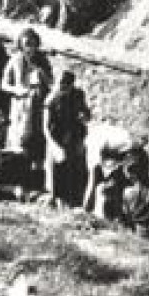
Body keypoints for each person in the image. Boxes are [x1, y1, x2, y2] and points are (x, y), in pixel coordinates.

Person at [1, 28, 52, 176]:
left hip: (37, 105)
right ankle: (17, 172)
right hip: (21, 107)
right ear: (21, 45)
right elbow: (3, 84)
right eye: (26, 44)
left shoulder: (42, 60)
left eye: (32, 44)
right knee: (20, 139)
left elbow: (51, 83)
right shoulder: (15, 60)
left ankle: (36, 175)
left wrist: (43, 74)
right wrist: (16, 90)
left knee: (37, 138)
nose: (29, 48)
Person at [43, 70, 91, 207]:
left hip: (74, 136)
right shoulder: (50, 100)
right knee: (56, 168)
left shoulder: (78, 95)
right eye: (60, 85)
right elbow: (45, 128)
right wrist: (54, 146)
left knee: (75, 169)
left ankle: (73, 200)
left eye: (66, 86)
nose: (62, 88)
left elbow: (86, 113)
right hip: (55, 137)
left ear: (71, 85)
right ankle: (54, 199)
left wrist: (85, 117)